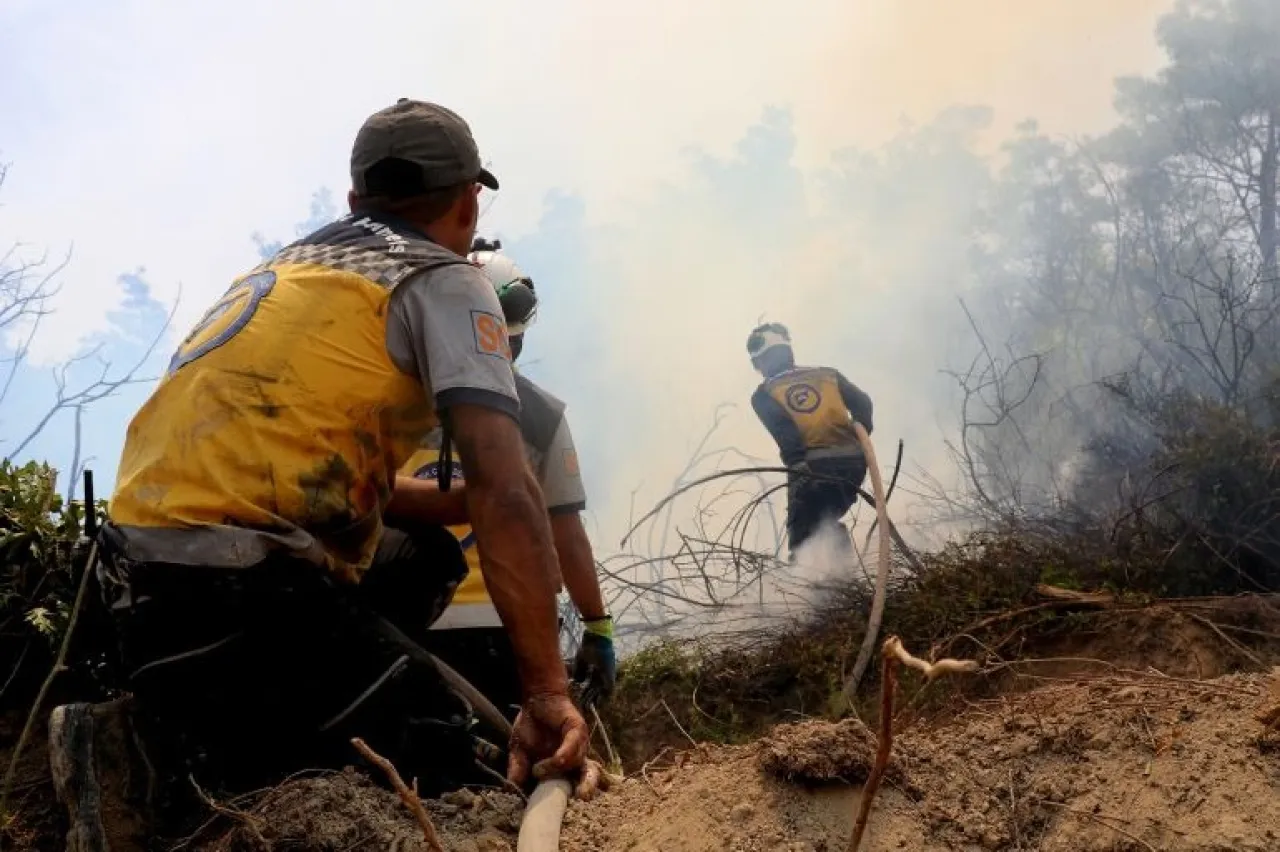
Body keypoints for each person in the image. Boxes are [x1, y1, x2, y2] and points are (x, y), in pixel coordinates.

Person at [49, 98, 590, 852]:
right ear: (470, 201)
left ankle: (185, 732)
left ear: (354, 200)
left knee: (422, 557)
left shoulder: (294, 268)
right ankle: (150, 764)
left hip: (135, 589)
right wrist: (547, 694)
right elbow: (506, 487)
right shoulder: (445, 280)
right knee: (450, 762)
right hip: (240, 593)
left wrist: (457, 504)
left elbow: (323, 480)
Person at [401, 240, 617, 720]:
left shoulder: (391, 401)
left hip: (403, 623)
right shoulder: (538, 413)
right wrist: (597, 626)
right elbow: (564, 532)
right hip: (513, 627)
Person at [746, 322, 874, 556]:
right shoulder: (827, 374)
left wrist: (798, 466)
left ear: (761, 361)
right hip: (853, 465)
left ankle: (819, 586)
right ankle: (841, 574)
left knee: (803, 535)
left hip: (810, 466)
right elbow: (863, 403)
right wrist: (861, 429)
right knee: (825, 520)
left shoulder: (764, 394)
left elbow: (786, 432)